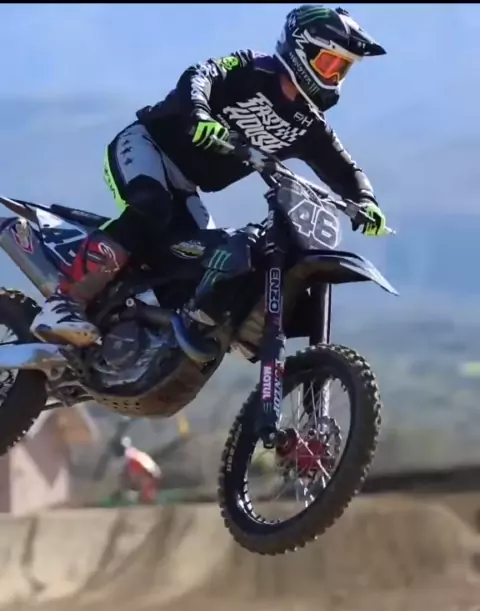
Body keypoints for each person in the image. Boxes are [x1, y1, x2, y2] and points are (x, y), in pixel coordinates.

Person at [31, 4, 389, 361]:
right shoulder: (252, 67)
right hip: (146, 145)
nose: (334, 76)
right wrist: (200, 114)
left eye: (342, 69)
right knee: (151, 207)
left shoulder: (309, 125)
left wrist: (366, 201)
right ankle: (64, 302)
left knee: (200, 260)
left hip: (186, 186)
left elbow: (344, 168)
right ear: (301, 49)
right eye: (329, 63)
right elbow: (199, 75)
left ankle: (131, 338)